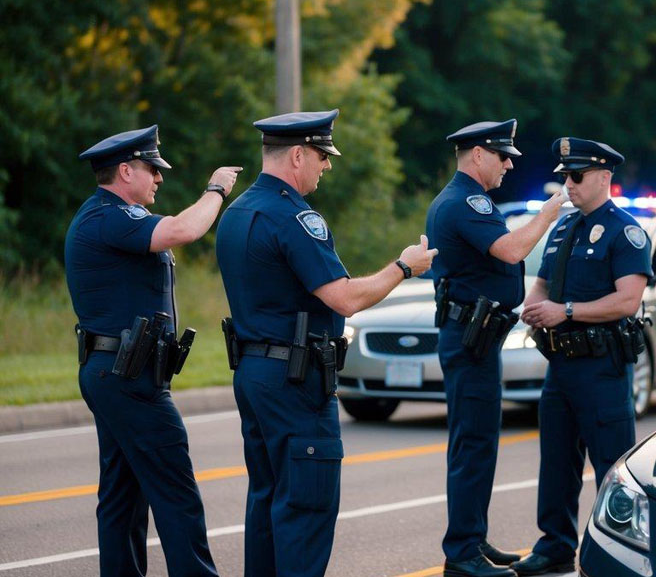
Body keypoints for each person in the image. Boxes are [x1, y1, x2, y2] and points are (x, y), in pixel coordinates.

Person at [215, 109, 436, 577]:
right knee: (304, 512)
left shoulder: (236, 212)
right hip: (295, 381)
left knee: (267, 504)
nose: (327, 165)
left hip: (255, 374)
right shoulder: (295, 217)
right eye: (321, 155)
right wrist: (403, 266)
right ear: (297, 155)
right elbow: (346, 298)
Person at [65, 124, 241, 577]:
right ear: (125, 171)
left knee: (123, 496)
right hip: (128, 378)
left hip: (120, 372)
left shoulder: (109, 216)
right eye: (151, 169)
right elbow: (185, 229)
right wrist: (216, 189)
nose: (159, 178)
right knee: (176, 493)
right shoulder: (110, 216)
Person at [427, 119, 568, 577]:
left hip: (477, 336)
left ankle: (473, 537)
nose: (509, 164)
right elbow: (509, 251)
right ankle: (462, 552)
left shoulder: (468, 199)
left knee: (478, 442)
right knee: (473, 444)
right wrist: (549, 212)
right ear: (478, 155)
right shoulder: (465, 200)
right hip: (470, 338)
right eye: (502, 155)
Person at [511, 137, 652, 575]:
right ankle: (555, 545)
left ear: (604, 177)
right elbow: (543, 286)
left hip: (602, 367)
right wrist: (531, 311)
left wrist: (565, 311)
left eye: (577, 176)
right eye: (564, 177)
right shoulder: (563, 229)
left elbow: (628, 300)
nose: (568, 185)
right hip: (561, 366)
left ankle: (619, 551)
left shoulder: (625, 230)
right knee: (556, 461)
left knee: (612, 466)